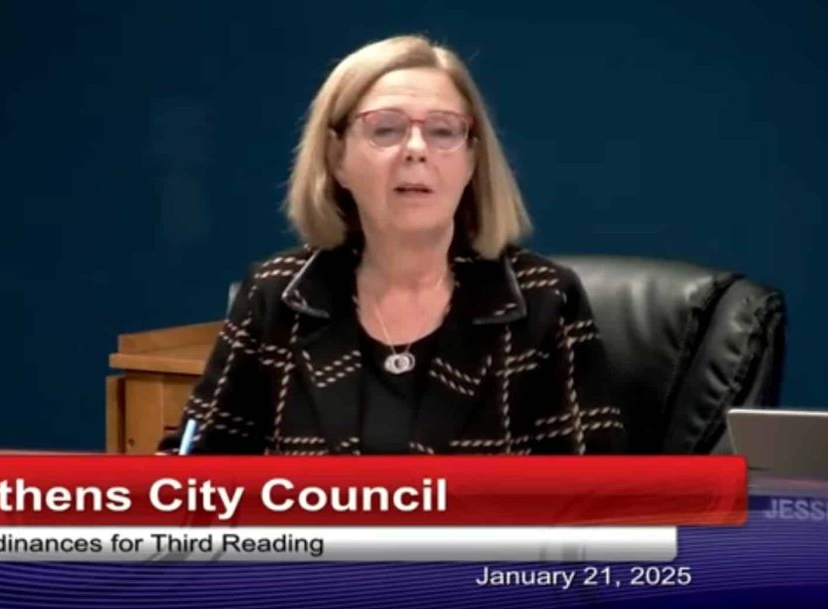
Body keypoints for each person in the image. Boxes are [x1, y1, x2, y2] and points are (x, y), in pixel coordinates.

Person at [158, 34, 627, 455]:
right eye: (386, 128)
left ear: (471, 161)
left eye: (444, 130)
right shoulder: (278, 295)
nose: (416, 148)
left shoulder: (544, 299)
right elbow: (192, 479)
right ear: (336, 158)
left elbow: (597, 506)